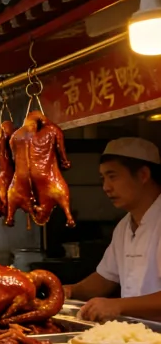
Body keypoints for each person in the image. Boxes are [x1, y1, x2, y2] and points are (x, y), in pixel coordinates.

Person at [65, 138, 161, 322]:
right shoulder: (124, 226)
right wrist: (70, 290)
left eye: (112, 176)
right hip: (139, 332)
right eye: (103, 179)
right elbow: (105, 278)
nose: (106, 187)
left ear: (143, 175)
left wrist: (118, 305)